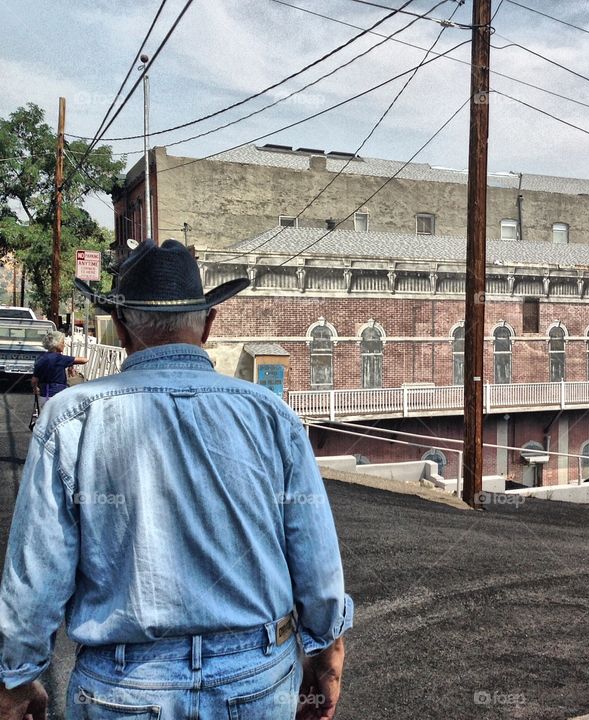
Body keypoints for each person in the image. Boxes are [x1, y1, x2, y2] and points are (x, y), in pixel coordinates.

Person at [0, 239, 353, 720]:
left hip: (121, 686)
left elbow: (37, 570)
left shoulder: (70, 418)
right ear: (208, 324)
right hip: (254, 676)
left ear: (121, 327)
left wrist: (18, 678)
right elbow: (313, 552)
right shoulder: (270, 414)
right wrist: (326, 652)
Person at [31, 330, 88, 407]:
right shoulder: (60, 358)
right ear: (56, 344)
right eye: (63, 342)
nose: (64, 345)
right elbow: (84, 360)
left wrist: (35, 389)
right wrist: (71, 363)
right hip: (57, 396)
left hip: (43, 395)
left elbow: (34, 380)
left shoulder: (40, 358)